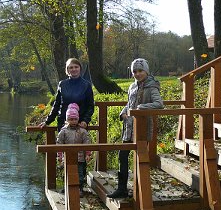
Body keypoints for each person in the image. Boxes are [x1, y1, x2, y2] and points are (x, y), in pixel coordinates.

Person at [107, 58, 164, 199]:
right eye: (135, 71)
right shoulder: (132, 86)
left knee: (141, 158)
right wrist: (123, 112)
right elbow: (129, 104)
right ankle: (122, 189)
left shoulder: (152, 86)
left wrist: (141, 108)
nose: (137, 74)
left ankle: (142, 190)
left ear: (146, 71)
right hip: (129, 128)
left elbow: (159, 104)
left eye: (140, 71)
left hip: (143, 128)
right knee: (123, 155)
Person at [39, 58, 94, 131]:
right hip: (63, 123)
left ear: (80, 68)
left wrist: (85, 121)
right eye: (71, 67)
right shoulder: (62, 84)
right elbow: (57, 105)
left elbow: (90, 106)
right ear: (67, 70)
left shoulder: (86, 85)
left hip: (80, 124)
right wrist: (47, 121)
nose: (74, 69)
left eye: (76, 67)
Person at [56, 103, 91, 197]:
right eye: (71, 119)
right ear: (67, 119)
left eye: (75, 119)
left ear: (78, 119)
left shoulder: (82, 131)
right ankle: (66, 186)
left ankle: (79, 188)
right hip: (66, 157)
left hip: (80, 157)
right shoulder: (63, 131)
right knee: (66, 172)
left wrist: (88, 154)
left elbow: (87, 143)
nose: (73, 121)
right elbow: (59, 144)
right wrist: (59, 156)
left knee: (79, 173)